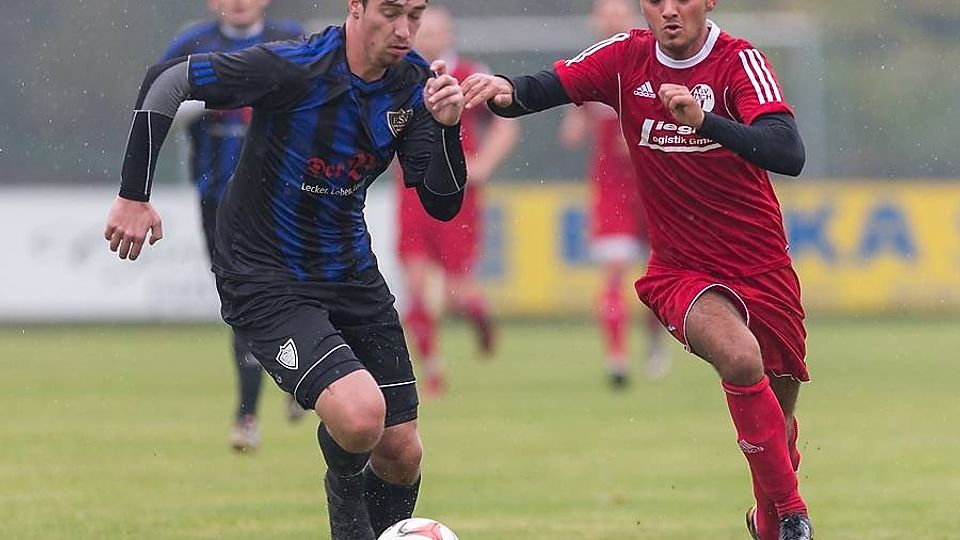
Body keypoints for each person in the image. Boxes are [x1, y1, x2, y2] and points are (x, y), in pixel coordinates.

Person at [104, 1, 468, 538]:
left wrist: (447, 128)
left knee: (401, 451)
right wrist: (133, 195)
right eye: (390, 12)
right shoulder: (295, 66)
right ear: (356, 6)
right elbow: (168, 80)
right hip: (265, 275)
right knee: (361, 417)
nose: (404, 29)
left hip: (350, 272)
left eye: (414, 14)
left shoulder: (413, 85)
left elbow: (442, 204)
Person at [461, 0, 813, 538]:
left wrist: (704, 122)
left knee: (779, 426)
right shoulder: (626, 57)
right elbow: (551, 86)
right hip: (682, 270)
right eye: (655, 0)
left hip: (763, 265)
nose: (668, 10)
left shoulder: (740, 61)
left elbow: (788, 152)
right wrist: (504, 90)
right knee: (741, 359)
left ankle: (768, 520)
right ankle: (793, 514)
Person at [160, 0, 306, 453]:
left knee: (297, 289)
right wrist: (210, 95)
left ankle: (302, 377)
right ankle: (248, 414)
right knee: (242, 299)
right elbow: (159, 103)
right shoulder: (192, 45)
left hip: (287, 194)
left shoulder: (291, 40)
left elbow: (320, 102)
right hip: (219, 199)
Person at [396, 6, 519, 398]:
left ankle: (479, 317)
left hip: (457, 193)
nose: (429, 36)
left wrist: (483, 164)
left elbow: (506, 122)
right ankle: (432, 370)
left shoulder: (468, 73)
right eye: (423, 29)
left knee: (456, 290)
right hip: (411, 192)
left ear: (449, 35)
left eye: (437, 30)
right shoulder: (400, 73)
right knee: (414, 285)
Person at [558, 0, 668, 388]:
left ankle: (655, 341)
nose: (612, 22)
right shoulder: (590, 69)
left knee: (660, 272)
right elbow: (571, 133)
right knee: (614, 272)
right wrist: (580, 115)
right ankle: (617, 358)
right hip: (612, 187)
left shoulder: (654, 61)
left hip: (654, 184)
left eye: (618, 15)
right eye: (606, 16)